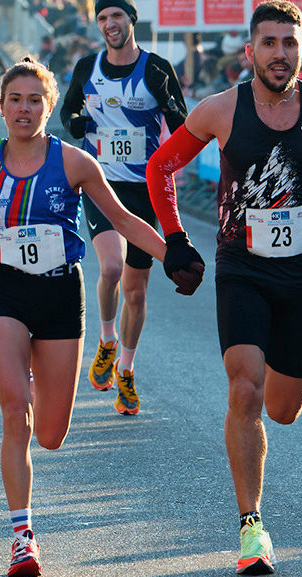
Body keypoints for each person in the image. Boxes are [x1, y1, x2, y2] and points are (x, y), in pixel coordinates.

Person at [145, 0, 302, 575]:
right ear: (250, 51)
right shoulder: (221, 110)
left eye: (290, 43)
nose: (279, 54)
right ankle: (251, 529)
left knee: (283, 409)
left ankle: (258, 488)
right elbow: (160, 167)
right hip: (243, 268)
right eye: (269, 43)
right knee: (245, 389)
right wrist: (177, 238)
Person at [0, 58, 166, 577]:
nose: (24, 109)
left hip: (58, 297)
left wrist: (172, 254)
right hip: (4, 292)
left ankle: (32, 376)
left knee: (50, 434)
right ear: (0, 106)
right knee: (14, 412)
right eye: (15, 100)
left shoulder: (74, 163)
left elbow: (120, 219)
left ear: (49, 107)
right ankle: (22, 537)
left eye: (34, 101)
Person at [59, 0, 187, 415]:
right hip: (101, 185)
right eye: (102, 18)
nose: (109, 24)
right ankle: (107, 339)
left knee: (135, 290)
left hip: (143, 190)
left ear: (131, 20)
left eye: (116, 16)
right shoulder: (87, 66)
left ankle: (127, 371)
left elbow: (184, 125)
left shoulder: (156, 68)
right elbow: (68, 111)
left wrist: (170, 114)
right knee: (110, 269)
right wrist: (77, 123)